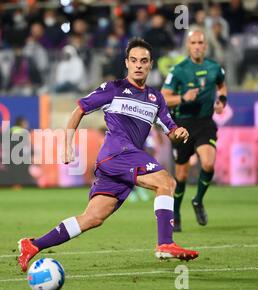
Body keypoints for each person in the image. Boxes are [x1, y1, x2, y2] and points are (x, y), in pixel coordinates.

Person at [17, 38, 199, 273]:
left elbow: (170, 130)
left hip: (122, 161)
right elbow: (79, 110)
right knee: (166, 182)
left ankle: (32, 245)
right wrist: (67, 144)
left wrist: (179, 132)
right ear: (127, 63)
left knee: (93, 217)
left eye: (144, 61)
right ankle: (165, 243)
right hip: (117, 153)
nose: (138, 65)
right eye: (134, 60)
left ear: (151, 64)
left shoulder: (156, 98)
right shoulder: (113, 89)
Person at [161, 29, 227, 232]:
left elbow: (222, 87)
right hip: (183, 126)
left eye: (201, 42)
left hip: (205, 123)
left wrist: (221, 101)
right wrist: (182, 98)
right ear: (188, 46)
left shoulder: (215, 67)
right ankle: (177, 214)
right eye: (194, 43)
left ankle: (198, 200)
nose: (197, 46)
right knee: (180, 176)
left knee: (208, 163)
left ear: (206, 45)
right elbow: (163, 98)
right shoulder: (179, 70)